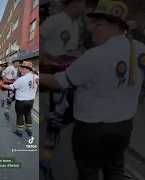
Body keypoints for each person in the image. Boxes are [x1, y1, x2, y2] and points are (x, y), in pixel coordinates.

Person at [41, 1, 145, 179]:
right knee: (114, 171)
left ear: (116, 26)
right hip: (123, 127)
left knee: (88, 173)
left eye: (98, 24)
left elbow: (59, 83)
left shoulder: (95, 55)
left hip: (91, 131)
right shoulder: (141, 49)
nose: (92, 29)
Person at [39, 0, 86, 178]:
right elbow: (40, 44)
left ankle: (46, 158)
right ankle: (46, 161)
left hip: (74, 76)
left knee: (66, 117)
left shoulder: (76, 24)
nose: (84, 7)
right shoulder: (55, 21)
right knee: (57, 118)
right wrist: (53, 59)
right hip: (59, 76)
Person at [0, 61, 39, 137]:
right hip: (31, 101)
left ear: (28, 69)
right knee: (28, 115)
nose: (20, 70)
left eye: (22, 69)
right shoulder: (37, 77)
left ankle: (19, 132)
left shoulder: (22, 79)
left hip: (21, 101)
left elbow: (11, 87)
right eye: (21, 68)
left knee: (20, 116)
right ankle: (29, 130)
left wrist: (2, 85)